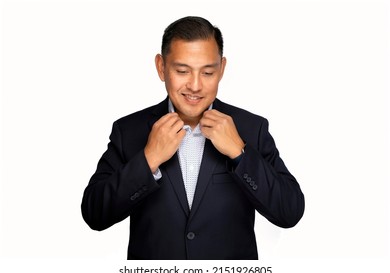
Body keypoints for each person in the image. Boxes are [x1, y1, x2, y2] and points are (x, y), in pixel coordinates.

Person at [81, 16, 305, 260]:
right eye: (182, 71)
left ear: (222, 69)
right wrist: (148, 160)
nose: (196, 86)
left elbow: (290, 211)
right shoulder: (129, 131)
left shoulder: (252, 128)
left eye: (208, 72)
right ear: (161, 67)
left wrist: (240, 154)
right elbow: (95, 214)